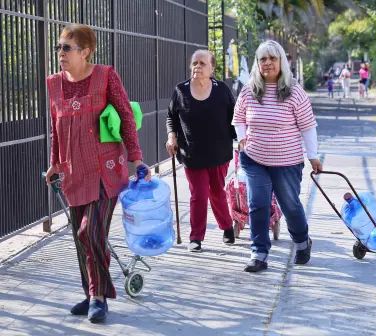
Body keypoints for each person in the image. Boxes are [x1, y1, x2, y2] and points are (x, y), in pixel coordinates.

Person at [45, 24, 150, 323]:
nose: (60, 53)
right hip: (73, 172)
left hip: (105, 171)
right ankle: (90, 291)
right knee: (83, 239)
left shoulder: (105, 76)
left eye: (67, 48)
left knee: (89, 232)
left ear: (86, 51)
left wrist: (136, 159)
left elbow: (127, 117)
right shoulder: (54, 83)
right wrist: (55, 163)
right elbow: (56, 128)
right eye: (59, 48)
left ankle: (99, 296)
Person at [232, 40, 322, 273]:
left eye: (273, 58)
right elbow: (238, 117)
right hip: (254, 158)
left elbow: (308, 126)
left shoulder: (294, 91)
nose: (268, 63)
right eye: (263, 59)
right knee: (257, 204)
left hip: (287, 160)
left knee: (289, 204)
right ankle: (259, 253)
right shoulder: (249, 90)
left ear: (281, 61)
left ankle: (302, 242)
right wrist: (241, 137)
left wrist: (313, 156)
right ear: (257, 63)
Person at [166, 50, 236, 252]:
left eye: (202, 63)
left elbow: (234, 117)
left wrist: (241, 138)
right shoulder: (181, 91)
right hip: (192, 152)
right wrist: (172, 137)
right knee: (199, 194)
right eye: (194, 63)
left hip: (218, 152)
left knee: (216, 192)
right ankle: (196, 237)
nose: (197, 66)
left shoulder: (222, 90)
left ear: (212, 68)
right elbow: (171, 116)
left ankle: (227, 227)